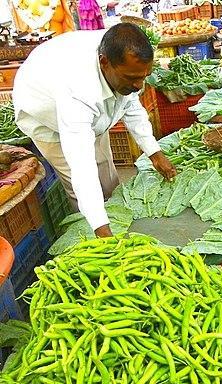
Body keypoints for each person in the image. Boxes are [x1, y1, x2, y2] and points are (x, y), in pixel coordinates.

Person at [13, 23, 176, 238]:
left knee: (107, 175)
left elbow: (132, 106)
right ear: (104, 63)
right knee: (77, 180)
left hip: (89, 107)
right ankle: (93, 233)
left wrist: (154, 153)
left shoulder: (123, 58)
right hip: (45, 116)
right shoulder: (79, 92)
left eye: (143, 77)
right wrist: (102, 229)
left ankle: (117, 219)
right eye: (132, 78)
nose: (139, 85)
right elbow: (82, 166)